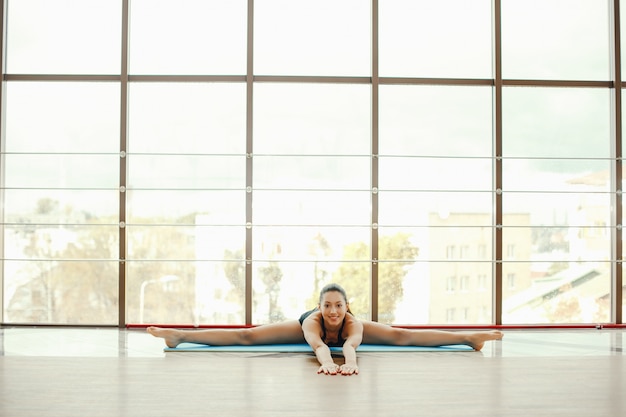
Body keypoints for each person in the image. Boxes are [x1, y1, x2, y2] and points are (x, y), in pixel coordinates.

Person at [147, 283, 503, 376]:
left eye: (338, 306)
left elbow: (352, 346)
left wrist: (348, 362)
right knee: (248, 335)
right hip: (303, 327)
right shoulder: (313, 320)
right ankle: (179, 335)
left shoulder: (353, 322)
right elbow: (318, 347)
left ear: (346, 307)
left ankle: (469, 337)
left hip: (348, 335)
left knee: (400, 334)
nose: (333, 311)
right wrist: (329, 365)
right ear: (320, 307)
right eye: (327, 306)